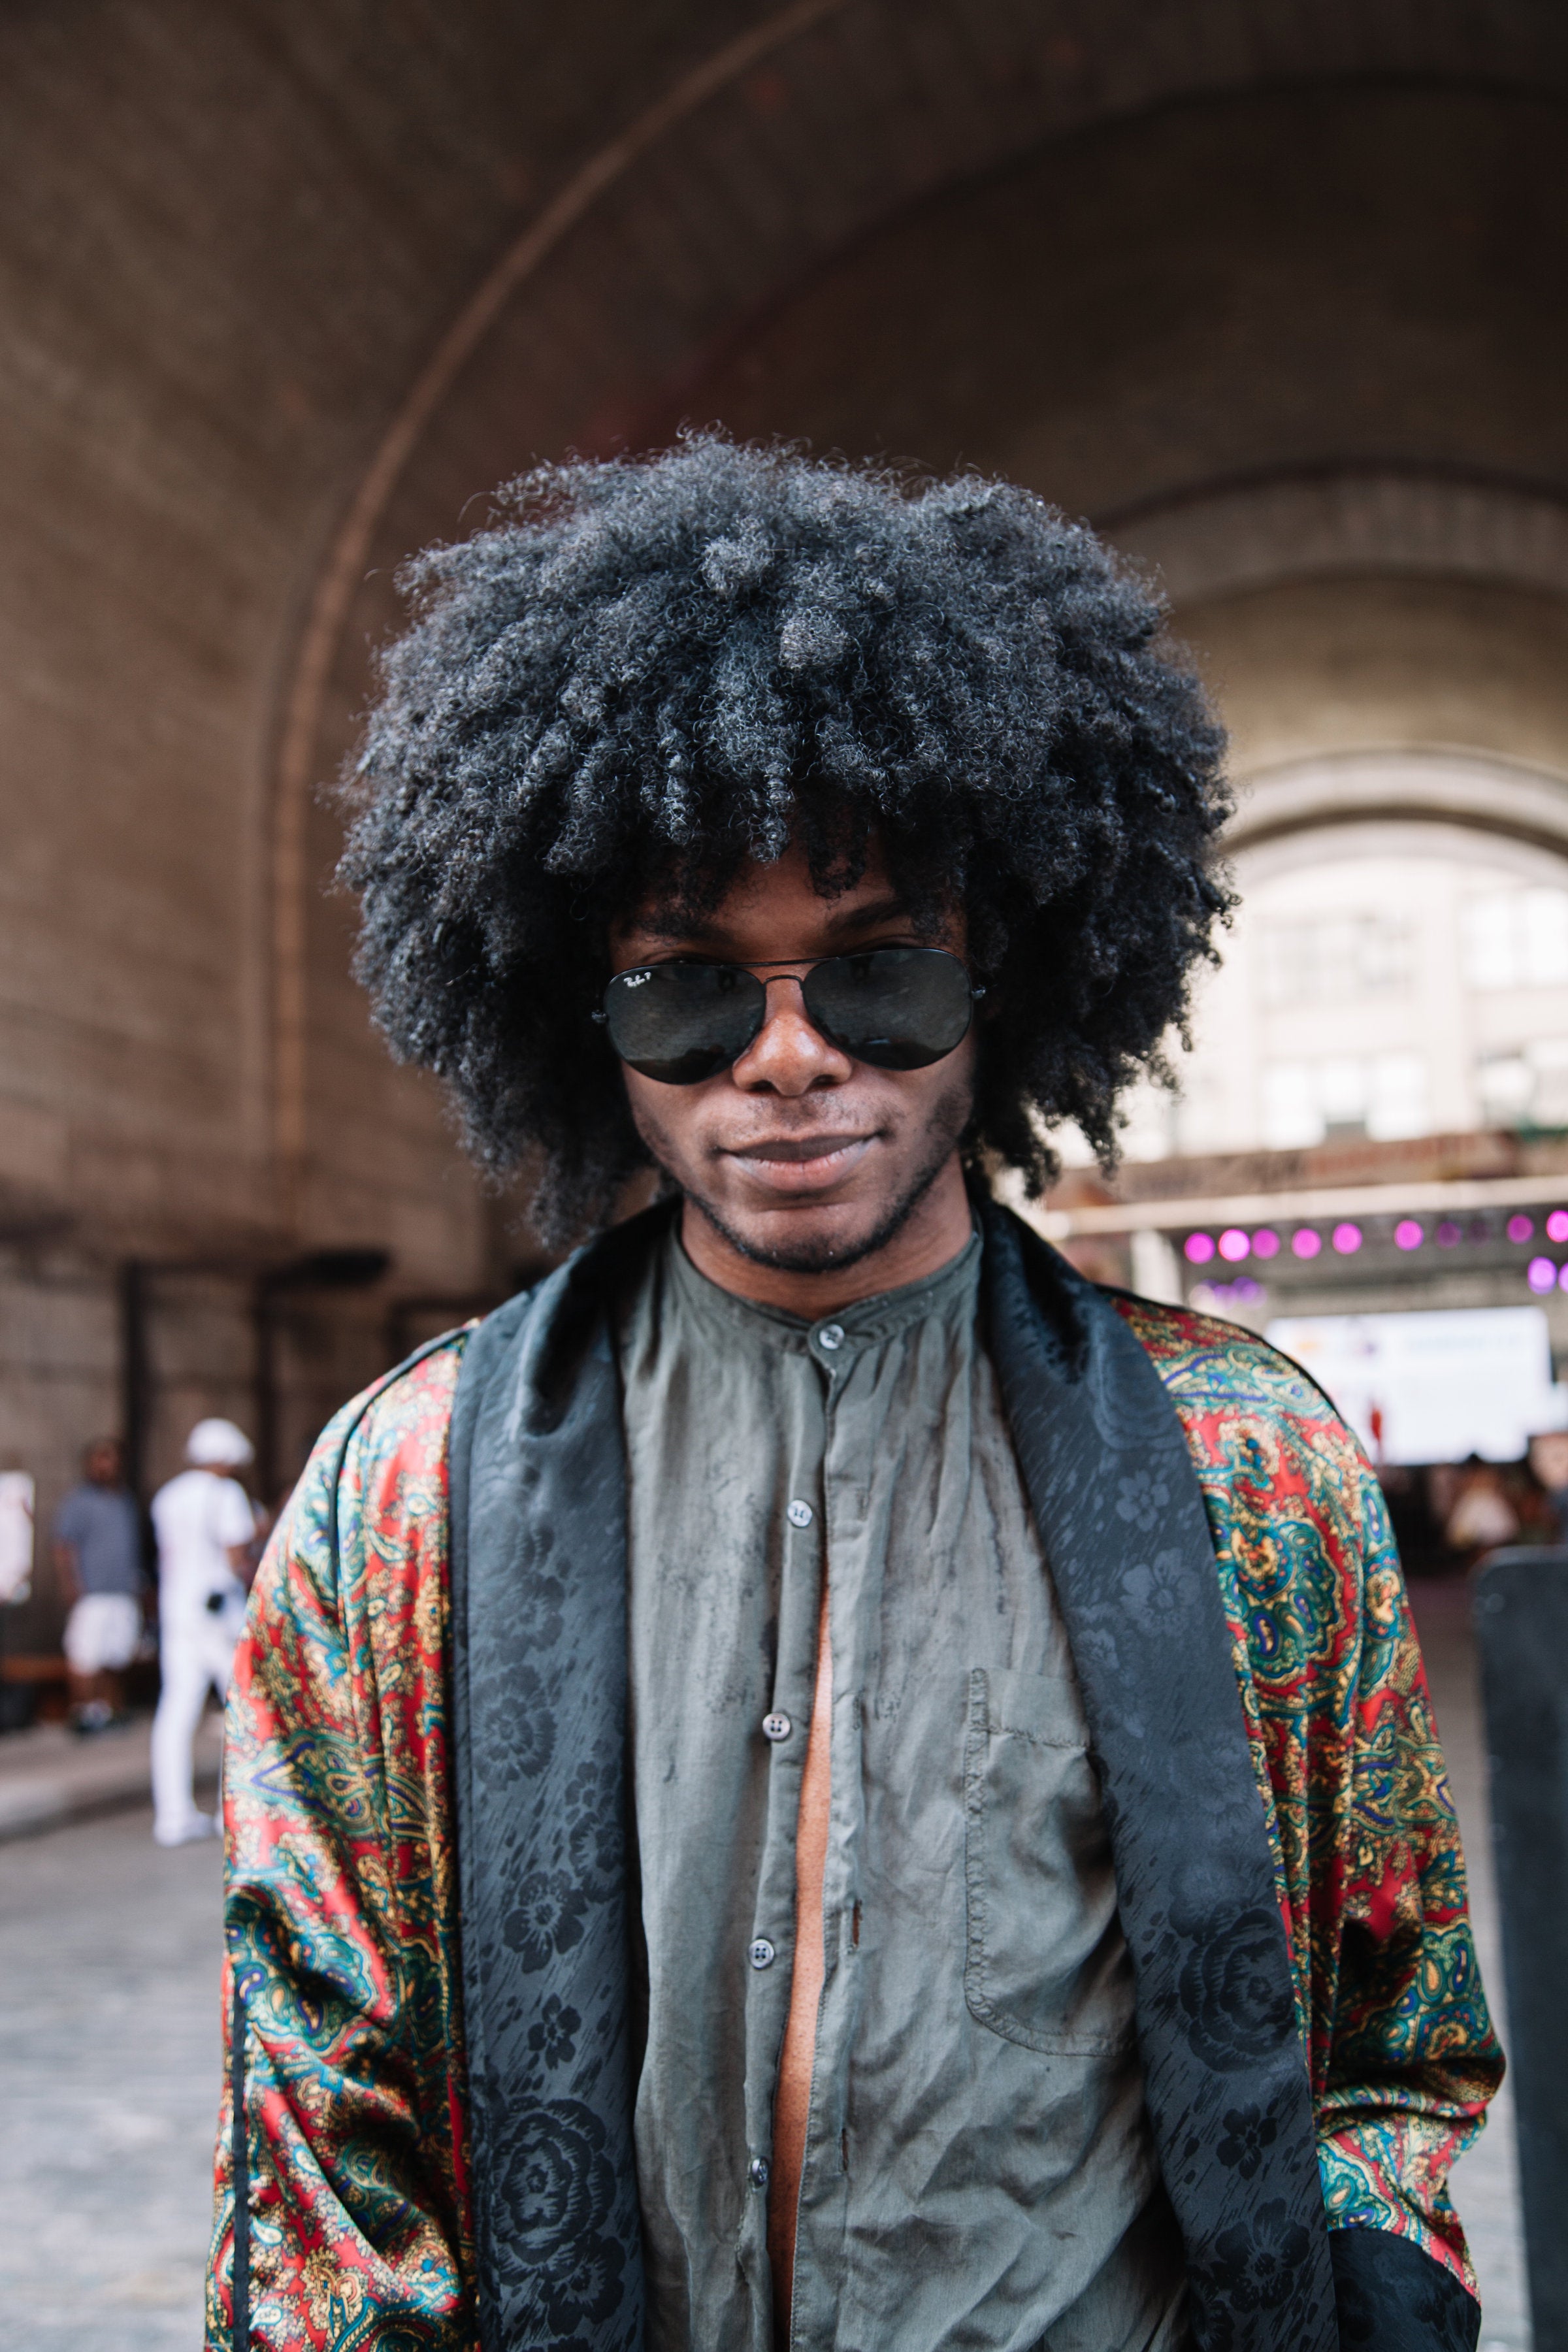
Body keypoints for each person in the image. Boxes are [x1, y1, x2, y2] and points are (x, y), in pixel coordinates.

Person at [207, 441, 1500, 2352]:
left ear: (1011, 968)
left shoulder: (1250, 1471)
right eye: (686, 990)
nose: (790, 1057)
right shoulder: (402, 1496)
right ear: (581, 1014)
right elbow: (322, 2129)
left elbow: (1386, 2054)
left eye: (878, 975)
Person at [151, 1417, 256, 1848]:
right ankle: (231, 1813)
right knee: (242, 1708)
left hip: (177, 1613)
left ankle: (172, 1815)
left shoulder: (167, 1496)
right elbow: (236, 1554)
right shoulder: (226, 1494)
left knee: (176, 1711)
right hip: (218, 1615)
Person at [52, 1436, 143, 1735]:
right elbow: (64, 1546)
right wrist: (71, 1584)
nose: (108, 1466)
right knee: (85, 1655)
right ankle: (83, 1710)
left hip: (122, 1591)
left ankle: (107, 1709)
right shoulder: (79, 1501)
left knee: (116, 1654)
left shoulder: (125, 1500)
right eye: (101, 1459)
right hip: (92, 1592)